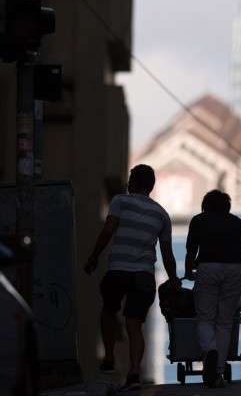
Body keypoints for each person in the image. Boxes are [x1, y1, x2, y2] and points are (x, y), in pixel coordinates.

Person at [83, 164, 180, 391]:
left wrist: (93, 257)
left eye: (130, 180)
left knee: (109, 309)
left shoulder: (120, 201)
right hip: (144, 274)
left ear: (134, 183)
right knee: (134, 324)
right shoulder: (162, 214)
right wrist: (174, 278)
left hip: (118, 268)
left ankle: (108, 358)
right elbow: (167, 253)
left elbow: (108, 230)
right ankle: (134, 374)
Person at [185, 189, 241, 388]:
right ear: (227, 207)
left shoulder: (198, 220)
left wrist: (188, 271)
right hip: (234, 269)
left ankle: (209, 351)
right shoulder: (237, 222)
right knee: (225, 322)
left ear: (205, 206)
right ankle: (217, 373)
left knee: (205, 318)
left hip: (208, 267)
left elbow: (191, 250)